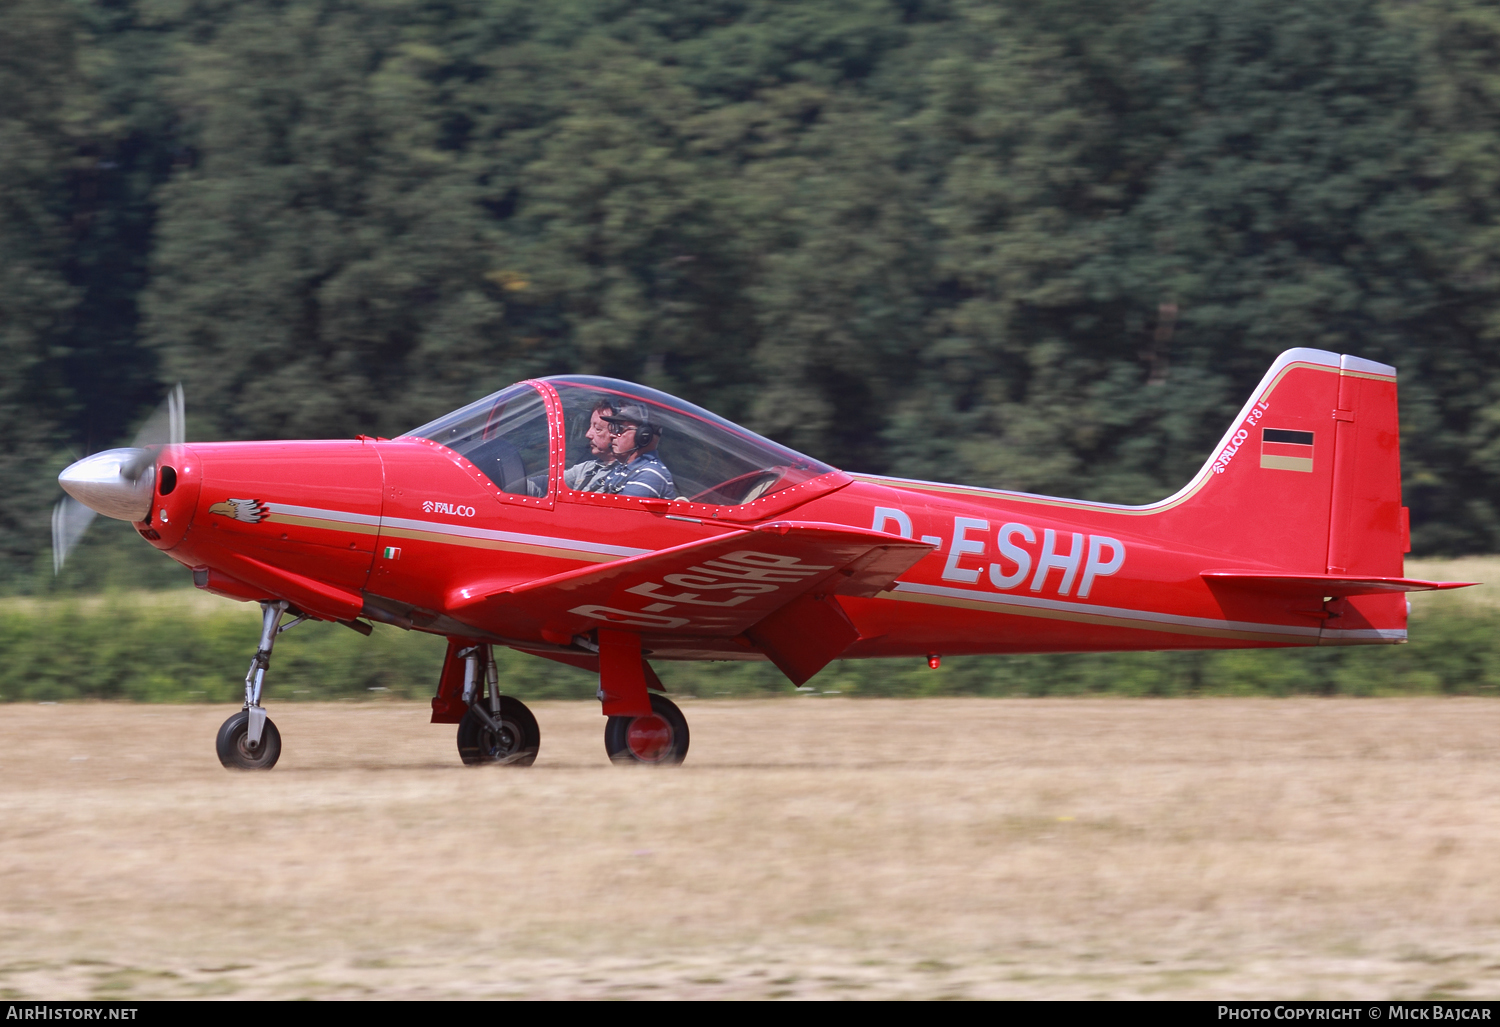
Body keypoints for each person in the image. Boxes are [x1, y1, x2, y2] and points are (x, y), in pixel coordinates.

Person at [591, 403, 677, 498]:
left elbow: (619, 512)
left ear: (643, 435)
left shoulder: (649, 474)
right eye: (613, 428)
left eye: (620, 428)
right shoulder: (621, 468)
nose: (612, 435)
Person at [563, 399, 617, 492]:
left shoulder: (628, 477)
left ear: (618, 432)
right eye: (590, 426)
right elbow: (546, 484)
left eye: (598, 429)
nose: (588, 434)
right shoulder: (587, 468)